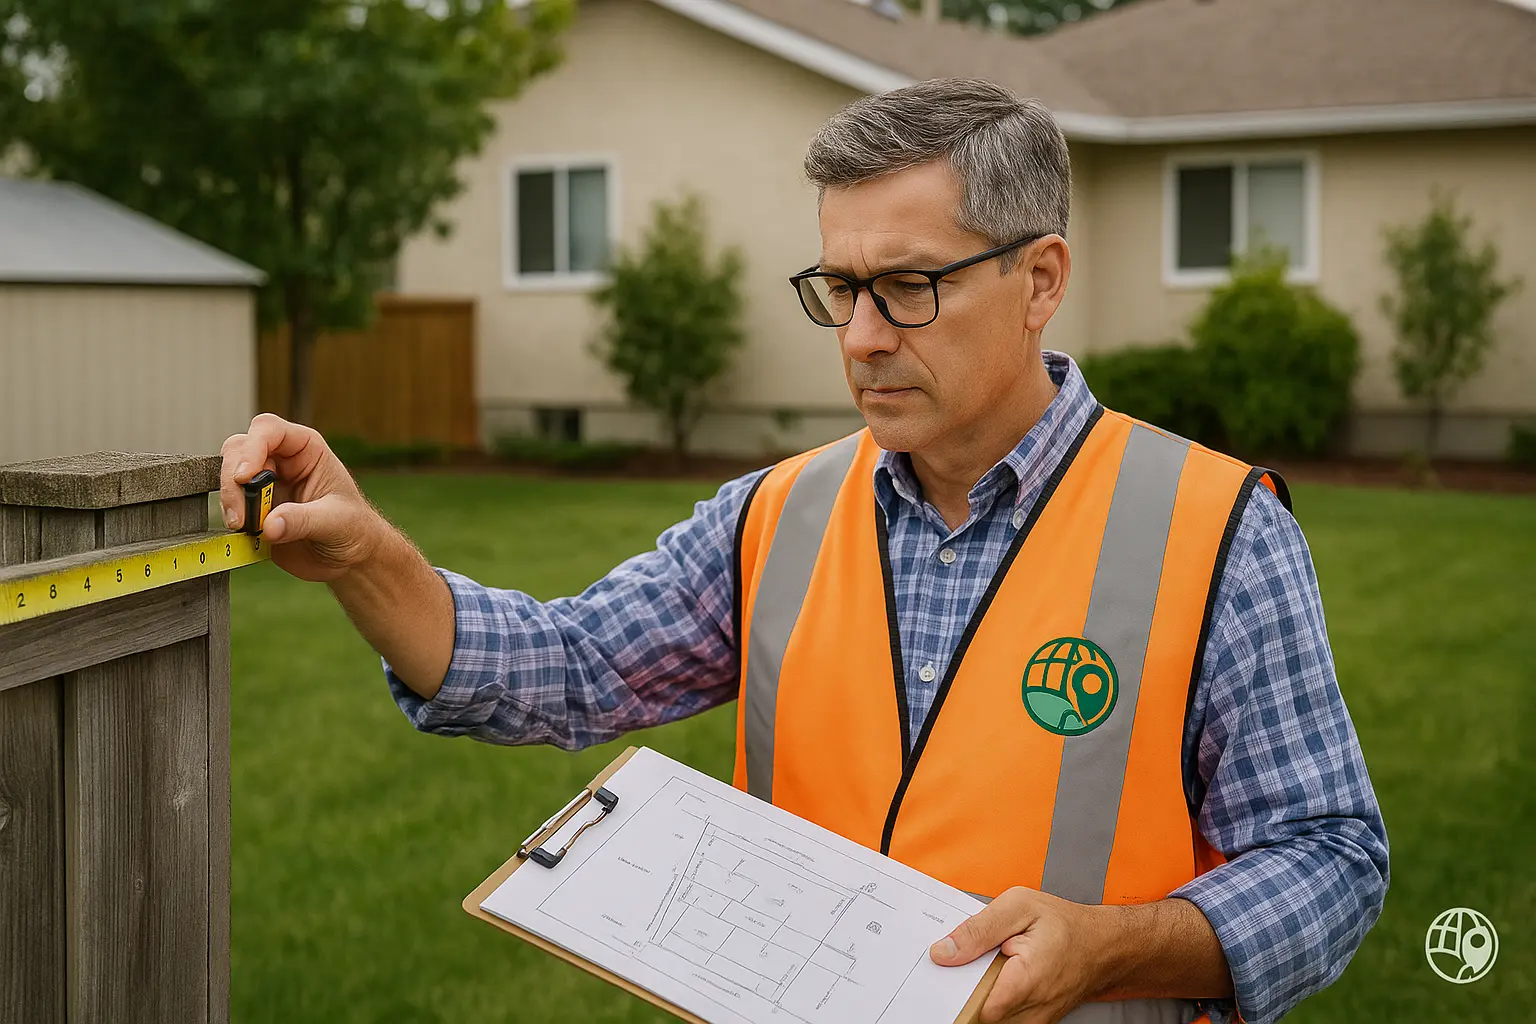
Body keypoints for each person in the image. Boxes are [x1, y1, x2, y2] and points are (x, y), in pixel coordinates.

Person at [219, 79, 1387, 1024]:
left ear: (1041, 281)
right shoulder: (773, 513)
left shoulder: (1216, 529)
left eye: (909, 287)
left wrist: (1112, 950)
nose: (865, 337)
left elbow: (1331, 858)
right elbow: (571, 666)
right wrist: (369, 554)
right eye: (840, 288)